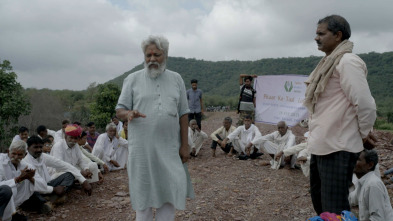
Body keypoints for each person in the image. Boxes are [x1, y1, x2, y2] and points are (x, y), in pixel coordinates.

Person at [116, 35, 194, 221]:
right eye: (148, 55)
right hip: (142, 151)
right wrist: (128, 114)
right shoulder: (132, 79)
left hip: (169, 148)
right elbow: (120, 109)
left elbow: (183, 113)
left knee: (169, 192)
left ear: (165, 55)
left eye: (156, 55)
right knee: (142, 196)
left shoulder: (177, 79)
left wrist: (184, 145)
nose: (152, 59)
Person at [304, 15, 377, 215]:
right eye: (316, 33)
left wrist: (363, 134)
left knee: (334, 210)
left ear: (338, 35)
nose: (316, 38)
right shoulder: (327, 63)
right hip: (322, 145)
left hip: (338, 147)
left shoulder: (347, 61)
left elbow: (364, 104)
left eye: (321, 33)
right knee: (321, 208)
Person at [21, 136, 91, 210]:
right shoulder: (25, 163)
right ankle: (51, 200)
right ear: (28, 148)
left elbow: (64, 165)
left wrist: (83, 181)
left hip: (48, 184)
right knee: (31, 195)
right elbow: (36, 185)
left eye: (40, 147)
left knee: (69, 175)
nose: (39, 150)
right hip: (36, 189)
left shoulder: (43, 156)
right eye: (35, 147)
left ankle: (50, 200)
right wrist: (54, 189)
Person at [0, 140, 48, 220]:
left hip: (12, 203)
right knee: (6, 190)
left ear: (25, 155)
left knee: (28, 182)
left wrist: (30, 178)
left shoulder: (26, 166)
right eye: (13, 154)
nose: (16, 157)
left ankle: (11, 214)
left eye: (19, 155)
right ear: (8, 151)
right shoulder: (1, 161)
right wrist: (18, 179)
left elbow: (43, 186)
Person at [349, 150, 393, 221]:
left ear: (370, 165)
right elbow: (351, 199)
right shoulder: (363, 182)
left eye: (357, 159)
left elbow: (377, 219)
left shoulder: (373, 185)